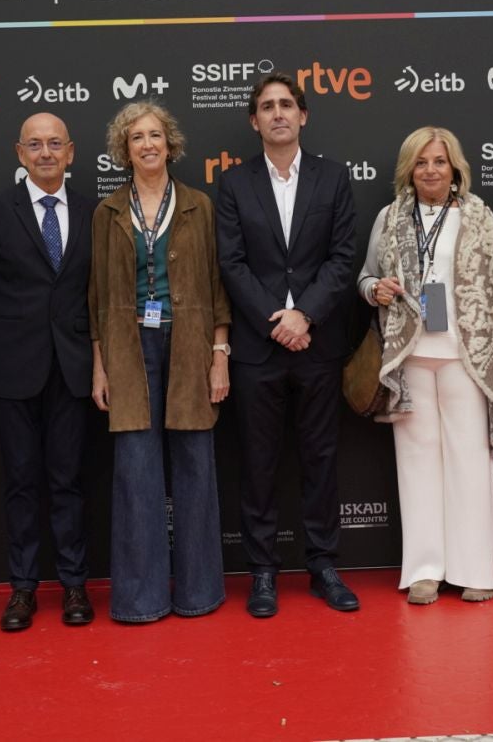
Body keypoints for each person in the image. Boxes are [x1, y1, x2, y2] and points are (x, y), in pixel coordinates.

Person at [357, 126, 493, 605]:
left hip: (465, 357)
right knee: (415, 463)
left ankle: (476, 568)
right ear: (409, 168)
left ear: (455, 168)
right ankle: (425, 569)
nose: (430, 170)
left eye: (439, 161)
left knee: (469, 461)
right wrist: (376, 290)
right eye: (421, 162)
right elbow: (366, 278)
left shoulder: (478, 215)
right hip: (409, 355)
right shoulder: (390, 217)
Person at [215, 72, 359, 617]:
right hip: (258, 346)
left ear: (303, 116)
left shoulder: (333, 178)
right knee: (258, 462)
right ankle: (263, 572)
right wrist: (275, 320)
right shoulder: (233, 184)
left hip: (318, 344)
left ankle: (323, 565)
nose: (277, 114)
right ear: (254, 121)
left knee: (321, 458)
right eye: (267, 107)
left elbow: (343, 257)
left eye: (286, 105)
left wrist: (305, 316)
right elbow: (231, 263)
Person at [89, 101, 230, 622]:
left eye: (154, 136)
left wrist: (220, 355)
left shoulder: (199, 205)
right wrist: (100, 365)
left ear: (169, 144)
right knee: (135, 471)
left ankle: (199, 593)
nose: (147, 145)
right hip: (128, 350)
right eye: (135, 138)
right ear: (124, 151)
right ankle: (139, 599)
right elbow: (98, 297)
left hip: (191, 346)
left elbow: (218, 287)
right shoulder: (107, 212)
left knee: (195, 466)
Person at [0, 112, 96, 631]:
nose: (46, 153)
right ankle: (22, 589)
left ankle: (73, 586)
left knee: (67, 482)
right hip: (11, 369)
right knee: (21, 482)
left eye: (55, 144)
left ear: (71, 153)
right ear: (19, 153)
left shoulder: (95, 211)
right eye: (35, 145)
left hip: (73, 369)